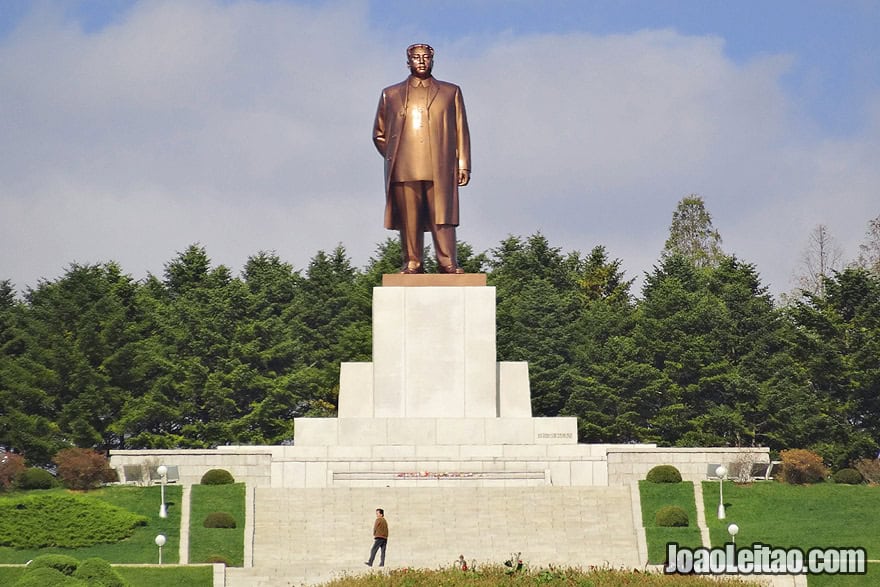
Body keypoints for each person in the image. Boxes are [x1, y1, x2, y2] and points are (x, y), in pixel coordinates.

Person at [373, 43, 471, 274]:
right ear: (408, 61)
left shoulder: (450, 92)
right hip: (404, 167)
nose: (421, 61)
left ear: (433, 59)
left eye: (425, 57)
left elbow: (461, 130)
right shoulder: (391, 94)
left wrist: (463, 164)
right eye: (416, 57)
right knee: (410, 218)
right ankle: (412, 262)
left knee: (442, 216)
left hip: (440, 165)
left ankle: (447, 261)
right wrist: (395, 155)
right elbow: (379, 134)